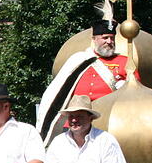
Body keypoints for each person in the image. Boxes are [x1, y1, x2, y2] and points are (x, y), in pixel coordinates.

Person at [36, 14, 141, 143]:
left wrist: (126, 86)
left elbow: (137, 93)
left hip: (110, 121)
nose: (109, 42)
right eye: (105, 38)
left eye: (112, 38)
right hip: (76, 122)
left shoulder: (125, 62)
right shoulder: (79, 60)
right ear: (94, 39)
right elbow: (58, 91)